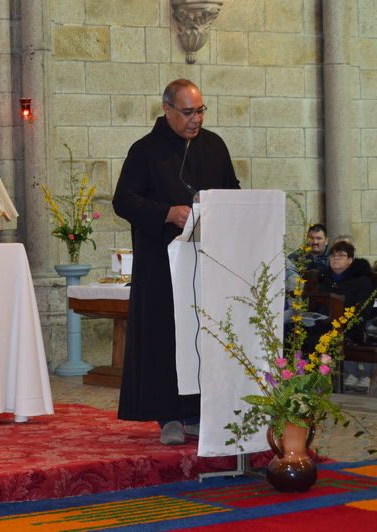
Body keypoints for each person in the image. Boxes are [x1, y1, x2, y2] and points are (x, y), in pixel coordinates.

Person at [111, 79, 240, 445]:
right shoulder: (145, 151)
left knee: (202, 334)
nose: (195, 120)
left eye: (200, 111)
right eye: (188, 112)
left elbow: (232, 191)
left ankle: (200, 411)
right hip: (161, 263)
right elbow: (124, 201)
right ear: (167, 109)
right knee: (166, 336)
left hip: (207, 262)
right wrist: (167, 212)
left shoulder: (214, 146)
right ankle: (167, 416)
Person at [311, 241, 375, 391]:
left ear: (350, 260)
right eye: (333, 255)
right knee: (299, 332)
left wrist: (343, 323)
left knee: (322, 339)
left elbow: (362, 310)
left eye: (341, 255)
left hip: (351, 326)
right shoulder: (323, 278)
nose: (335, 258)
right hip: (323, 324)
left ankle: (337, 377)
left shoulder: (362, 281)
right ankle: (313, 379)